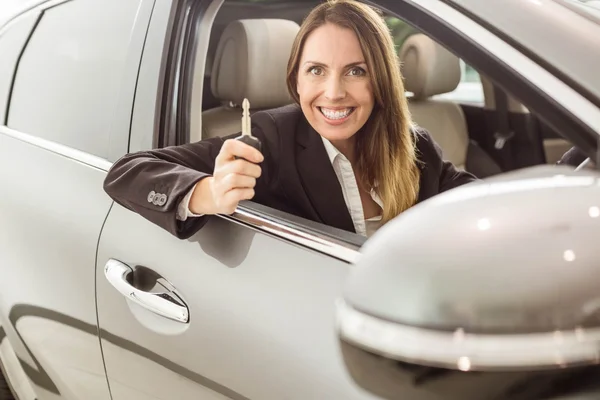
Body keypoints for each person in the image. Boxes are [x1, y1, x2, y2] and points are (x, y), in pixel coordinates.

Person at [103, 0, 477, 240]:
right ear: (295, 79)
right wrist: (210, 192)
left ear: (380, 81)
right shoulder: (268, 139)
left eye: (356, 71)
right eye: (316, 70)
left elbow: (480, 204)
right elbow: (126, 172)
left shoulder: (415, 146)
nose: (333, 92)